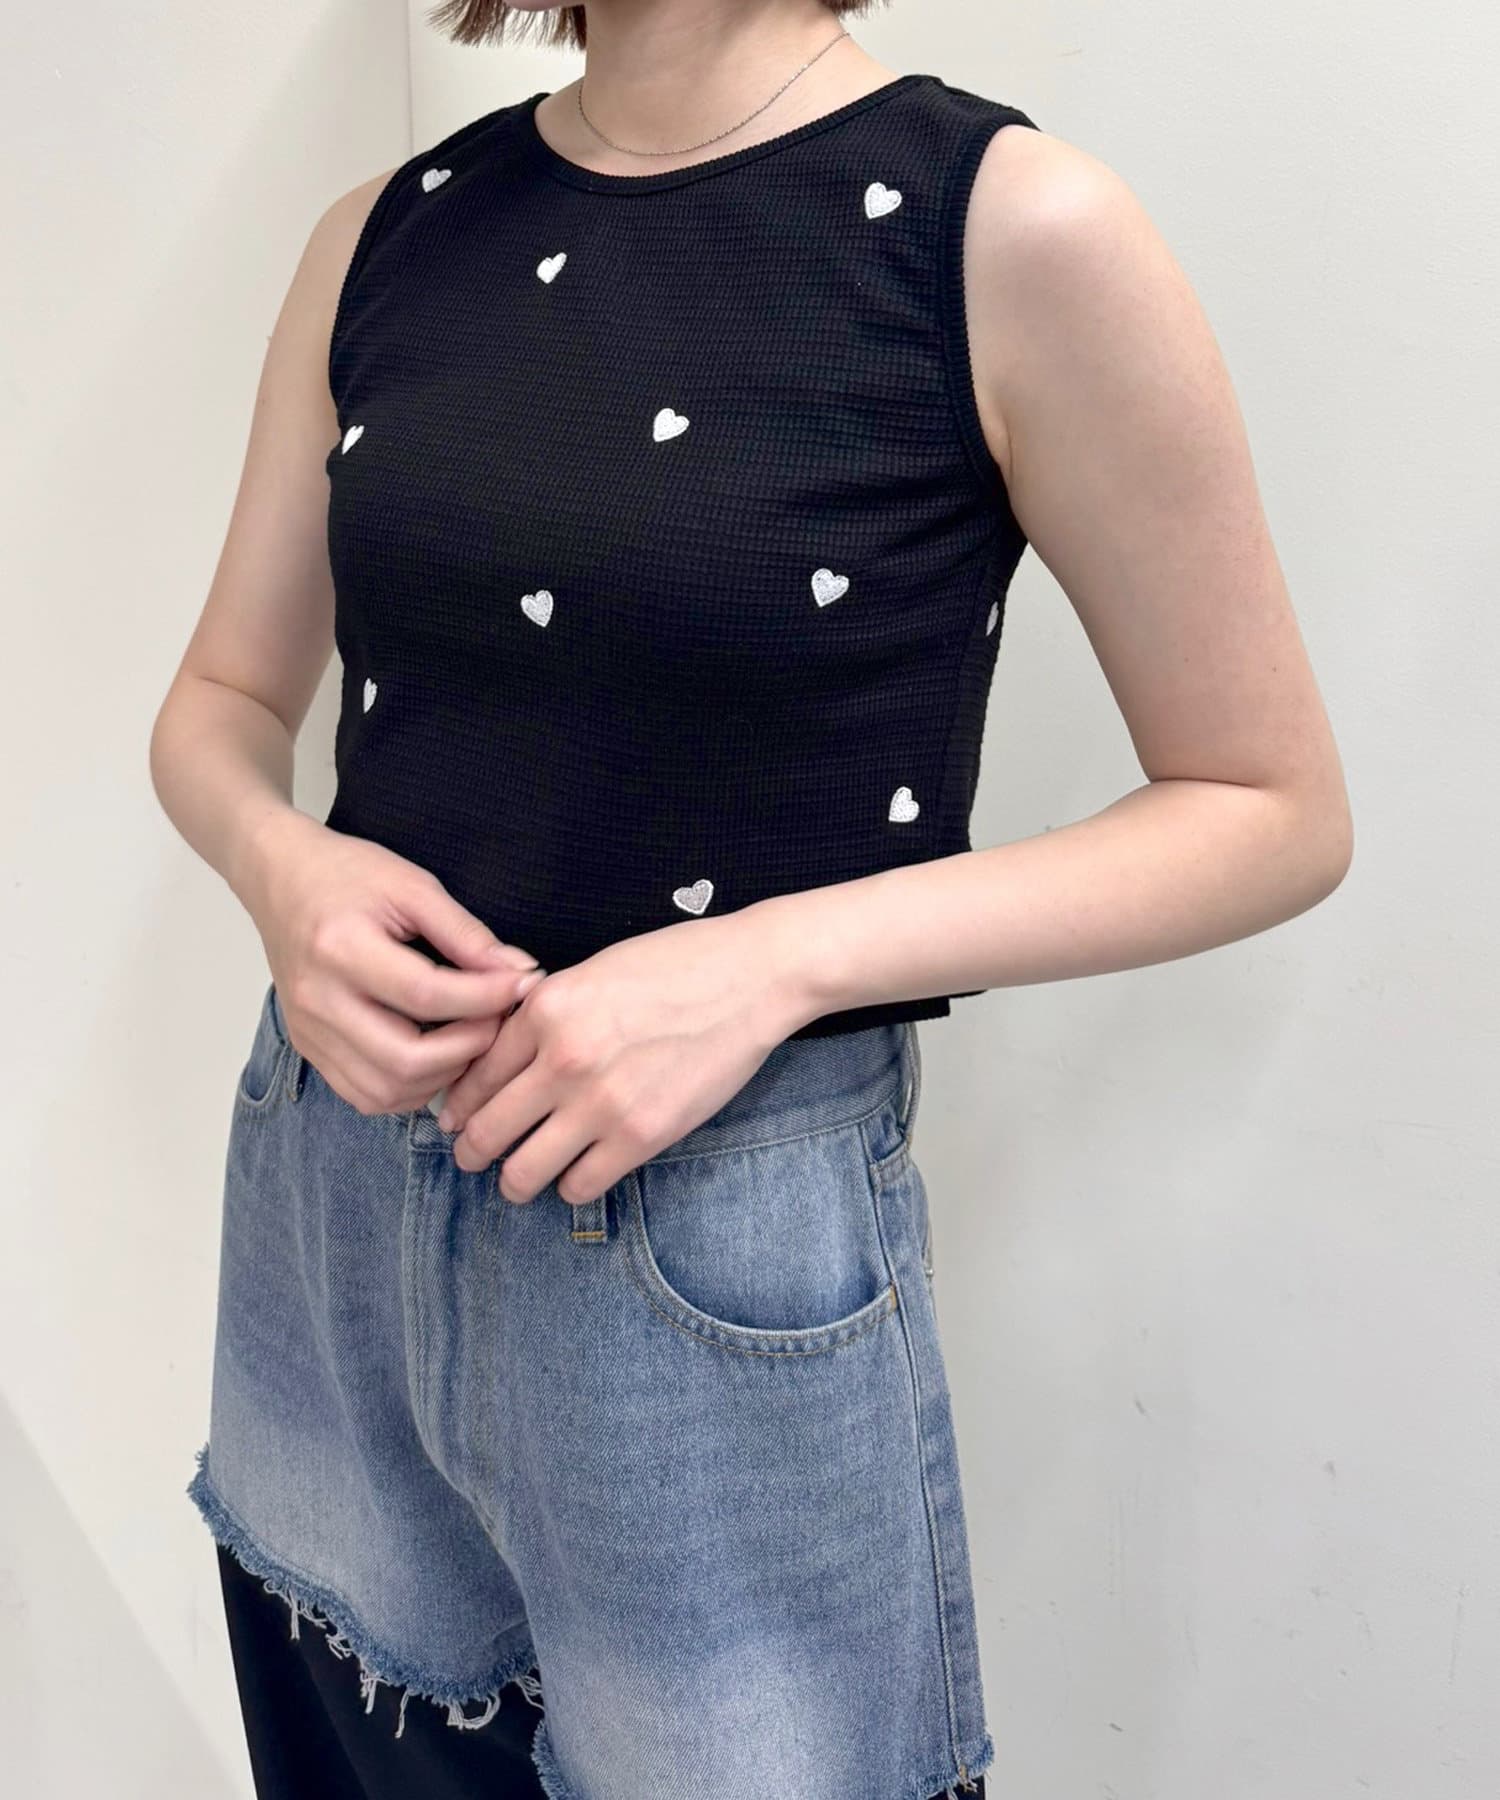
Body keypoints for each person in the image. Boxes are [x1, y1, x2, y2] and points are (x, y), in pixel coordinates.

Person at [149, 1, 1353, 1795]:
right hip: (329, 1217)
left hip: (711, 1258)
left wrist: (772, 964)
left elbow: (1269, 807)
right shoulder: (386, 232)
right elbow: (222, 702)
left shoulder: (1001, 227)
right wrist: (282, 873)